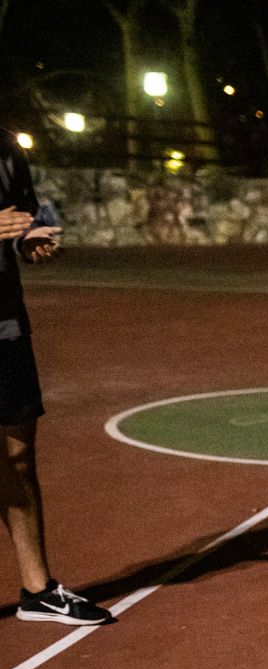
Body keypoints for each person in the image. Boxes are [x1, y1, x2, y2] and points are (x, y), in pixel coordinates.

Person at [0, 128, 111, 626]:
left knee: (19, 457)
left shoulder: (7, 148)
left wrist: (31, 242)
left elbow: (21, 220)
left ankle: (38, 589)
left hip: (4, 320)